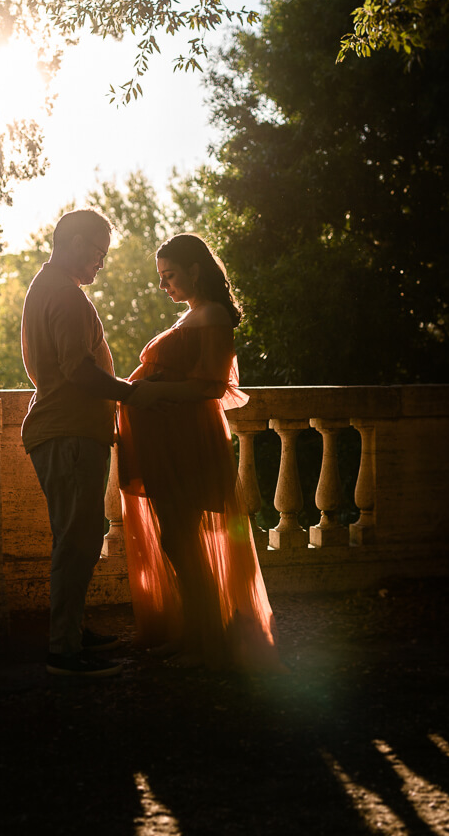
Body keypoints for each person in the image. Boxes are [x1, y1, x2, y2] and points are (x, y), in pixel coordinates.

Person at [117, 233, 284, 672]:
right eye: (161, 278)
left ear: (195, 270)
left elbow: (213, 384)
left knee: (182, 538)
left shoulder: (213, 316)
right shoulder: (194, 315)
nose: (163, 285)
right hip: (171, 438)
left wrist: (149, 392)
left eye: (169, 276)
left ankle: (206, 641)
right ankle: (194, 634)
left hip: (188, 439)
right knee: (178, 536)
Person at [21, 208, 161, 677]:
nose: (100, 263)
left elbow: (47, 371)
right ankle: (63, 651)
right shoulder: (63, 294)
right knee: (77, 542)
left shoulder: (48, 287)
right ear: (76, 242)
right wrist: (132, 393)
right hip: (70, 434)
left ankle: (74, 632)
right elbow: (77, 370)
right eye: (98, 253)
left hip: (65, 431)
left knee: (77, 538)